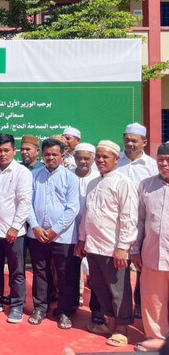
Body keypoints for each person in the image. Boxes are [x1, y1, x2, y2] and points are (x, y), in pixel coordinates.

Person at [77, 140, 138, 347]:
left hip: (114, 250)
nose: (100, 160)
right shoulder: (94, 182)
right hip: (93, 246)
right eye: (99, 157)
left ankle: (122, 329)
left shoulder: (123, 183)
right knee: (100, 288)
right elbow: (88, 214)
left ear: (117, 159)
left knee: (119, 290)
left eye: (105, 157)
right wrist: (82, 239)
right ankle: (109, 324)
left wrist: (123, 247)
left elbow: (129, 217)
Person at [0, 134, 32, 324]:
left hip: (14, 234)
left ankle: (17, 306)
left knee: (16, 272)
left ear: (14, 151)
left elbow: (25, 202)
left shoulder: (22, 172)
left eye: (6, 150)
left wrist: (15, 227)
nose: (3, 154)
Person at [26, 138, 79, 328]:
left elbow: (72, 208)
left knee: (65, 274)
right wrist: (35, 226)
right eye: (47, 154)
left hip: (62, 237)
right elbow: (27, 204)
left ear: (62, 155)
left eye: (54, 154)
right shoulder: (34, 175)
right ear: (42, 154)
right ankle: (40, 308)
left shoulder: (70, 177)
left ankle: (64, 311)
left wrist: (55, 230)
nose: (50, 158)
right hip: (37, 234)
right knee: (40, 272)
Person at [132, 142, 169, 352]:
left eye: (168, 160)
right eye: (161, 160)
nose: (164, 164)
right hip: (153, 254)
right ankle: (156, 338)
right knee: (152, 300)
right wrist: (135, 250)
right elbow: (139, 220)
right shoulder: (146, 186)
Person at [118, 123, 157, 318]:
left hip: (144, 225)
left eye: (134, 140)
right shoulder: (116, 161)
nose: (130, 144)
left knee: (143, 270)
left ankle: (140, 307)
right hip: (118, 225)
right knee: (120, 269)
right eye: (127, 139)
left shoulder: (151, 166)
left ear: (144, 142)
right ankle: (121, 309)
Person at [72, 143, 103, 324]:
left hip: (93, 233)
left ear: (93, 159)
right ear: (74, 158)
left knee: (95, 274)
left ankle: (97, 310)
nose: (82, 162)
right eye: (79, 158)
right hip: (70, 232)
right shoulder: (68, 177)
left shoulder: (99, 178)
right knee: (71, 271)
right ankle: (73, 302)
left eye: (86, 158)